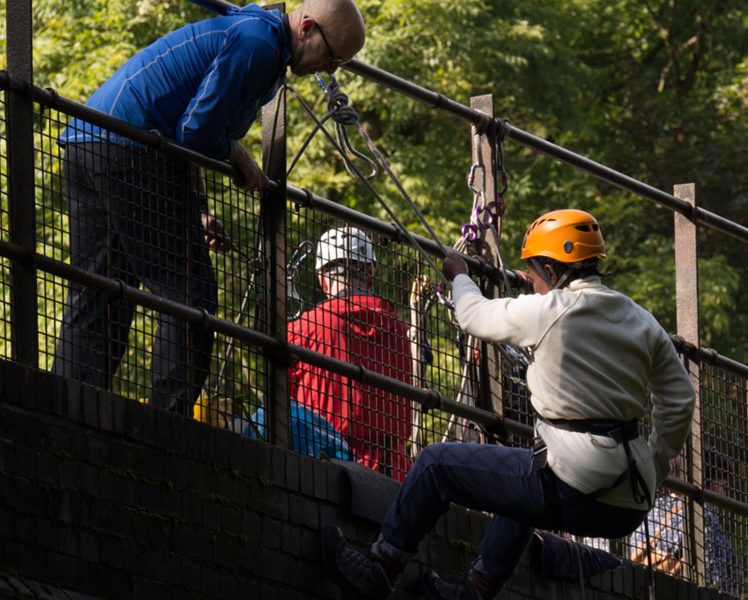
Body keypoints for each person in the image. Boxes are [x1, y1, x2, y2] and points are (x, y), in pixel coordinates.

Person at [321, 209, 696, 600]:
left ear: (552, 271)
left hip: (575, 485)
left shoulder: (552, 310)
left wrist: (459, 274)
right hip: (629, 502)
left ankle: (380, 569)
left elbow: (474, 315)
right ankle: (477, 590)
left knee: (435, 464)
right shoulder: (642, 320)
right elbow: (680, 400)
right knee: (521, 483)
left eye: (533, 274)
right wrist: (654, 462)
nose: (532, 284)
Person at [51, 0, 366, 415]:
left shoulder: (258, 38)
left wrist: (197, 208)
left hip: (89, 139)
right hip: (128, 148)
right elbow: (195, 131)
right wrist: (237, 155)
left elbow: (188, 127)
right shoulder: (258, 45)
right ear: (306, 27)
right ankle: (169, 427)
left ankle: (65, 408)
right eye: (331, 56)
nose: (330, 71)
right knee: (189, 291)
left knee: (102, 289)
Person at [287, 227, 413, 481]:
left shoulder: (303, 330)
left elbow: (282, 401)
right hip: (395, 474)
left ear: (322, 279)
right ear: (369, 275)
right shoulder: (402, 333)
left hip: (323, 471)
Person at [629, 447, 742, 596]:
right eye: (722, 486)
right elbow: (716, 571)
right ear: (707, 482)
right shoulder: (703, 513)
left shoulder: (653, 510)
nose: (724, 494)